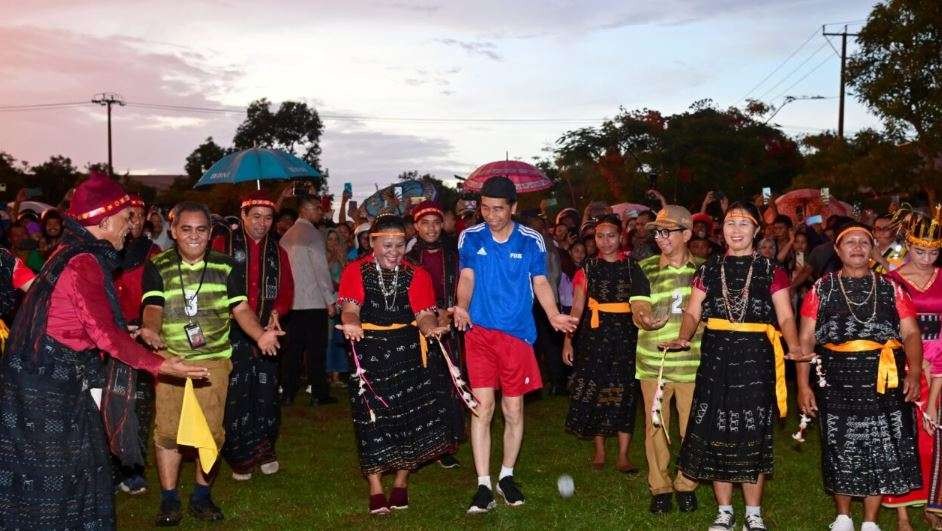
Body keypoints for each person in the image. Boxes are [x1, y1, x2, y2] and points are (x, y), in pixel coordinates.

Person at [0, 172, 207, 529]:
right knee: (58, 477)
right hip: (50, 388)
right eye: (127, 218)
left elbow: (71, 315)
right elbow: (105, 335)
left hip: (44, 380)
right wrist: (162, 366)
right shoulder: (84, 261)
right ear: (106, 220)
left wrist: (126, 331)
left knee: (77, 468)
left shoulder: (70, 252)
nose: (131, 227)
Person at [662, 201, 803, 531]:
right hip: (716, 358)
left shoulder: (772, 270)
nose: (736, 229)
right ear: (720, 229)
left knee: (752, 432)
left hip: (756, 359)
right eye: (729, 223)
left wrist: (794, 344)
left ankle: (753, 513)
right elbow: (693, 312)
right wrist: (684, 337)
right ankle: (724, 511)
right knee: (717, 429)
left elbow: (784, 314)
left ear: (756, 230)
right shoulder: (708, 270)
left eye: (743, 223)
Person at [140, 201, 283, 526]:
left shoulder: (227, 265)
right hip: (171, 359)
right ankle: (169, 500)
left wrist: (260, 336)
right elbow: (153, 305)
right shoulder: (158, 265)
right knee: (168, 431)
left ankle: (202, 497)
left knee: (211, 431)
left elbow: (241, 309)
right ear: (173, 231)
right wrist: (150, 328)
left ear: (210, 233)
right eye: (186, 229)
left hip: (214, 360)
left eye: (201, 230)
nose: (194, 236)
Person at [452, 176, 578, 513]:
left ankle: (506, 475)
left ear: (513, 208)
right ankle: (482, 484)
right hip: (479, 333)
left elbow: (540, 281)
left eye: (498, 209)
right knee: (482, 408)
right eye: (485, 208)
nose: (490, 215)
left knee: (513, 409)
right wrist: (461, 305)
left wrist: (552, 315)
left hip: (517, 335)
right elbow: (467, 277)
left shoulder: (531, 240)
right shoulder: (470, 237)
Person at [796, 222, 922, 531]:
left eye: (863, 242)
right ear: (837, 251)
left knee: (880, 444)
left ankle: (870, 521)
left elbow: (910, 332)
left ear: (872, 250)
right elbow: (806, 340)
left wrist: (915, 370)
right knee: (840, 442)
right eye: (849, 242)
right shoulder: (820, 288)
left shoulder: (891, 287)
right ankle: (842, 517)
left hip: (883, 377)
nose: (857, 247)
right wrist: (802, 384)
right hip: (835, 379)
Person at [336, 214, 453, 515]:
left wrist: (431, 329)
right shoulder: (355, 271)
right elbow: (350, 310)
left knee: (407, 416)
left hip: (407, 351)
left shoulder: (417, 273)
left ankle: (401, 482)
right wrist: (350, 324)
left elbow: (425, 314)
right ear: (372, 243)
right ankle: (375, 487)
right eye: (387, 244)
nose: (394, 251)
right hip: (369, 351)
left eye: (400, 245)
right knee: (370, 418)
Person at [212, 191, 295, 481]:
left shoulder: (278, 251)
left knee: (267, 392)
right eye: (256, 216)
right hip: (231, 331)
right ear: (243, 216)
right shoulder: (223, 246)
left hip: (268, 332)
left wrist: (277, 312)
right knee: (235, 393)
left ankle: (266, 449)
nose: (262, 222)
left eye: (268, 217)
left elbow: (286, 292)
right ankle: (240, 457)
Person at [629, 206, 703, 514]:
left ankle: (686, 483)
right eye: (656, 233)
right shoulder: (643, 267)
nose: (660, 238)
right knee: (655, 426)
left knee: (691, 428)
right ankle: (659, 485)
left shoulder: (703, 270)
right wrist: (645, 320)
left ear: (686, 234)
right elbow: (638, 307)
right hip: (653, 363)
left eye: (667, 232)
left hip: (692, 363)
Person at [562, 214, 643, 472]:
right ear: (593, 240)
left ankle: (623, 454)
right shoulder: (587, 269)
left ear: (620, 237)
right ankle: (599, 451)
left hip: (626, 337)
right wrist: (568, 340)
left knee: (625, 392)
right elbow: (576, 307)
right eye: (600, 236)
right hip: (594, 337)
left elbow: (643, 304)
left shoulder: (633, 267)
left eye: (610, 236)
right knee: (597, 390)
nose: (605, 241)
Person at [888, 208, 942, 529]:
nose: (926, 257)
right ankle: (903, 511)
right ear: (908, 245)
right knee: (906, 433)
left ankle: (935, 504)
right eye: (920, 250)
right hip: (905, 359)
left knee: (937, 434)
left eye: (934, 251)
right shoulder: (891, 280)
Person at [405, 200, 465, 468]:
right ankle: (422, 443)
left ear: (442, 225)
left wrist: (450, 312)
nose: (431, 228)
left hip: (451, 329)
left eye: (436, 223)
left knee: (449, 384)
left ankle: (446, 445)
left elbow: (465, 287)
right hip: (419, 330)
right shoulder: (408, 259)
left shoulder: (455, 254)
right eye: (425, 223)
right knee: (423, 385)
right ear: (416, 226)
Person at [113, 194, 163, 496]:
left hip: (141, 337)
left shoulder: (152, 253)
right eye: (126, 215)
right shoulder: (103, 252)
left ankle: (133, 469)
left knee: (140, 403)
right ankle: (110, 466)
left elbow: (159, 298)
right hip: (107, 338)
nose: (132, 222)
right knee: (108, 403)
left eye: (137, 216)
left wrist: (146, 328)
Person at [279, 196, 338, 406]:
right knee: (316, 351)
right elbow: (321, 271)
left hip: (292, 303)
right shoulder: (312, 235)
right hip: (312, 302)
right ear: (305, 210)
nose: (321, 213)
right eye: (317, 209)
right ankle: (319, 393)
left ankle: (288, 392)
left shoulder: (286, 236)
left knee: (292, 352)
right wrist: (330, 300)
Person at [324, 228, 349, 386]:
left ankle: (336, 375)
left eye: (335, 239)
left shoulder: (344, 257)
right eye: (330, 239)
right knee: (327, 337)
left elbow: (348, 277)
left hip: (341, 302)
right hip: (325, 302)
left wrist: (340, 260)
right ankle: (326, 373)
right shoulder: (321, 257)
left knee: (338, 337)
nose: (333, 242)